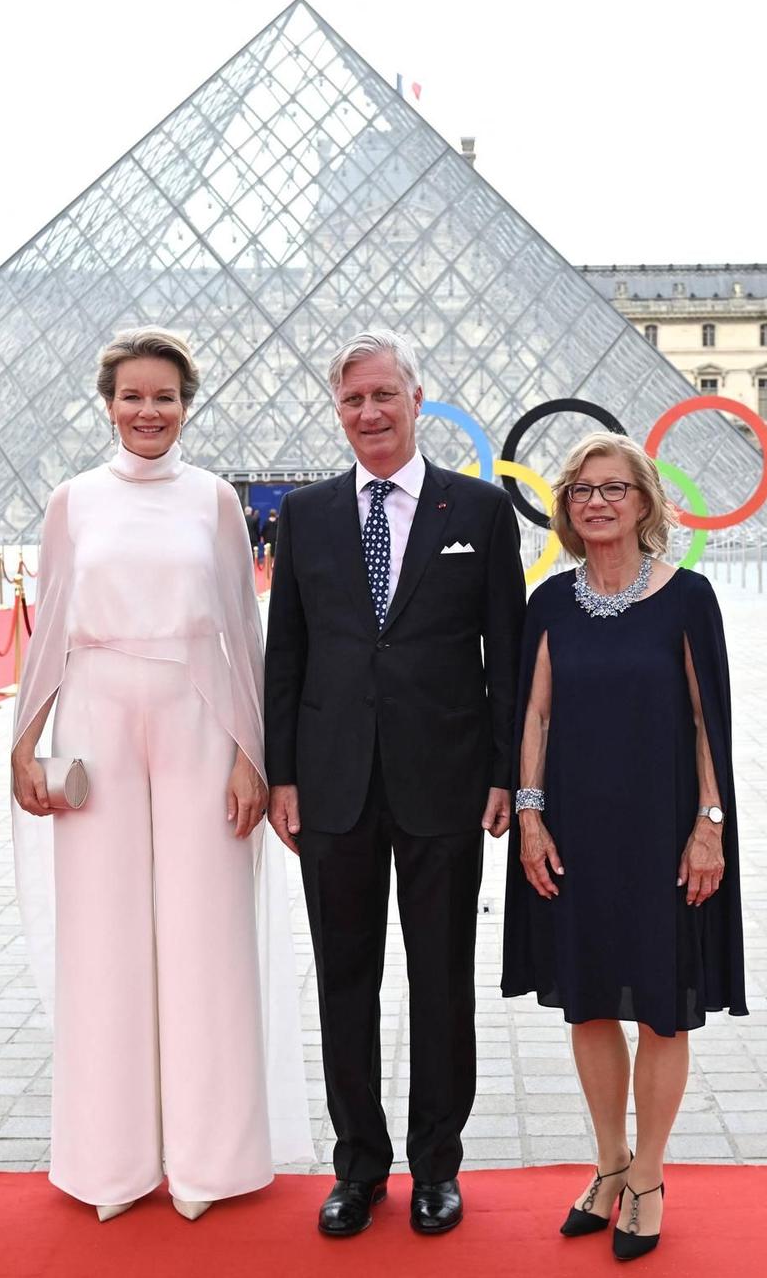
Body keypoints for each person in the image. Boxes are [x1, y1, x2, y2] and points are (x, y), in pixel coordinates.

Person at [9, 327, 310, 1222]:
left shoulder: (216, 500)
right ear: (108, 403)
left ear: (186, 404)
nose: (150, 412)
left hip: (197, 712)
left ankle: (210, 1160)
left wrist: (253, 753)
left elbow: (239, 627)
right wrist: (23, 742)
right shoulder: (73, 500)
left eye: (166, 397)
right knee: (102, 943)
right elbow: (53, 619)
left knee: (204, 937)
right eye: (134, 396)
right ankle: (111, 1162)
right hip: (96, 715)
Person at [263, 329, 524, 1238]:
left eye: (383, 395)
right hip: (332, 787)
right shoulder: (306, 513)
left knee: (442, 980)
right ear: (337, 412)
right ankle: (358, 1166)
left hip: (446, 784)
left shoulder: (482, 513)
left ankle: (437, 1166)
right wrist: (282, 774)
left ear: (419, 399)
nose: (368, 413)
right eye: (351, 401)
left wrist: (504, 774)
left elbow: (509, 657)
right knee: (344, 981)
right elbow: (284, 654)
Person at [500, 432, 746, 1261]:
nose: (596, 501)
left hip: (663, 829)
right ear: (566, 508)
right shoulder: (549, 603)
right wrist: (530, 818)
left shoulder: (687, 597)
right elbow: (532, 715)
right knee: (591, 998)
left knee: (664, 1008)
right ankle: (607, 1162)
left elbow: (709, 719)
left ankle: (648, 1172)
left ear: (644, 501)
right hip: (574, 828)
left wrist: (709, 827)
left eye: (613, 488)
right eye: (581, 490)